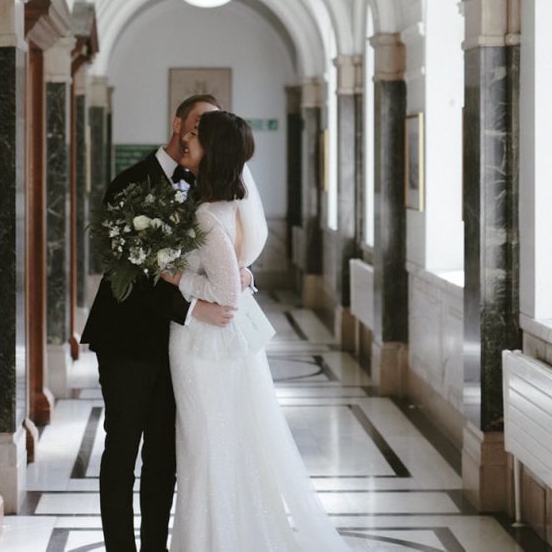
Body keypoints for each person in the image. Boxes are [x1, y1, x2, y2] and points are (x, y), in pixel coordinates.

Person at [161, 111, 350, 552]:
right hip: (215, 348)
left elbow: (225, 291)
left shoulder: (207, 215)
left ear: (214, 150)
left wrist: (174, 277)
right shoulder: (223, 206)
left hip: (203, 348)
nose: (186, 139)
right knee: (218, 448)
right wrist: (238, 277)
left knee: (204, 450)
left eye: (195, 135)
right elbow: (237, 275)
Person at [81, 94, 250, 552]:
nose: (200, 136)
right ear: (178, 124)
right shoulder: (130, 183)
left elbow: (215, 255)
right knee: (122, 453)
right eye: (197, 125)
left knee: (165, 457)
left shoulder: (204, 185)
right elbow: (132, 273)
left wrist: (239, 274)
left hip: (182, 349)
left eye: (209, 129)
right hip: (128, 342)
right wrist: (193, 309)